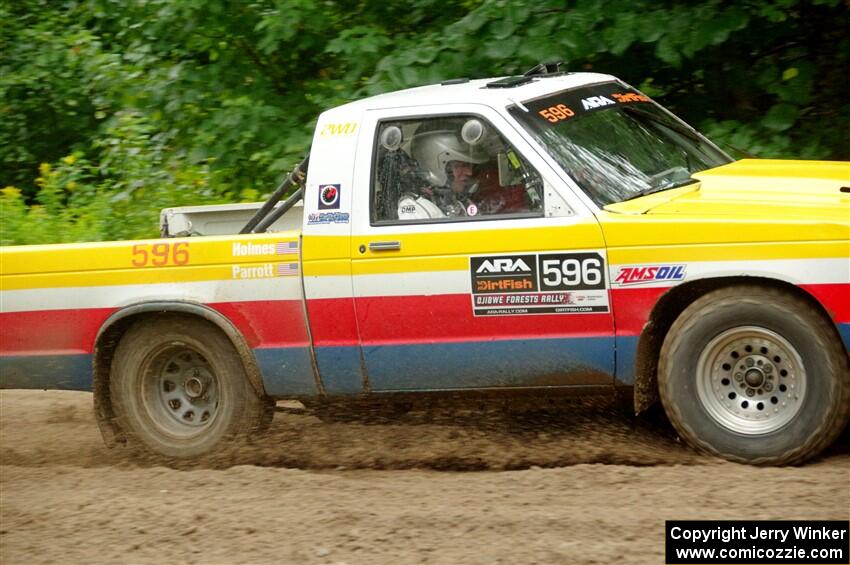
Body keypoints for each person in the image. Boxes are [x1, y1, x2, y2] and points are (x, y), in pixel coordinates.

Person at [397, 129, 487, 220]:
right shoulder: (416, 210)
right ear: (434, 166)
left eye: (468, 165)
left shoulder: (460, 201)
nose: (469, 172)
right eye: (459, 166)